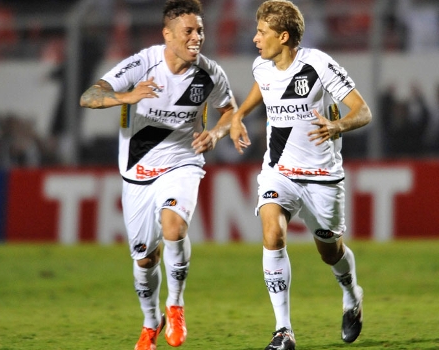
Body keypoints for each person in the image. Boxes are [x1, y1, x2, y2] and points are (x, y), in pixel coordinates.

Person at [205, 1, 371, 348]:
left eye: (262, 32)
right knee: (271, 231)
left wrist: (338, 125)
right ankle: (283, 331)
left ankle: (351, 294)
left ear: (283, 37)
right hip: (279, 172)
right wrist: (238, 116)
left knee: (330, 252)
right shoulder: (262, 66)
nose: (254, 39)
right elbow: (261, 89)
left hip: (322, 176)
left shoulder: (318, 64)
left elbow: (363, 110)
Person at [80, 1, 237, 349]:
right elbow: (89, 96)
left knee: (174, 226)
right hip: (137, 173)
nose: (197, 37)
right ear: (168, 35)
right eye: (189, 31)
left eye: (200, 30)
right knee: (144, 259)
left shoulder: (210, 73)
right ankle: (151, 323)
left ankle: (176, 304)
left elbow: (230, 111)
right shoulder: (142, 63)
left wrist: (215, 134)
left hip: (183, 163)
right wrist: (126, 96)